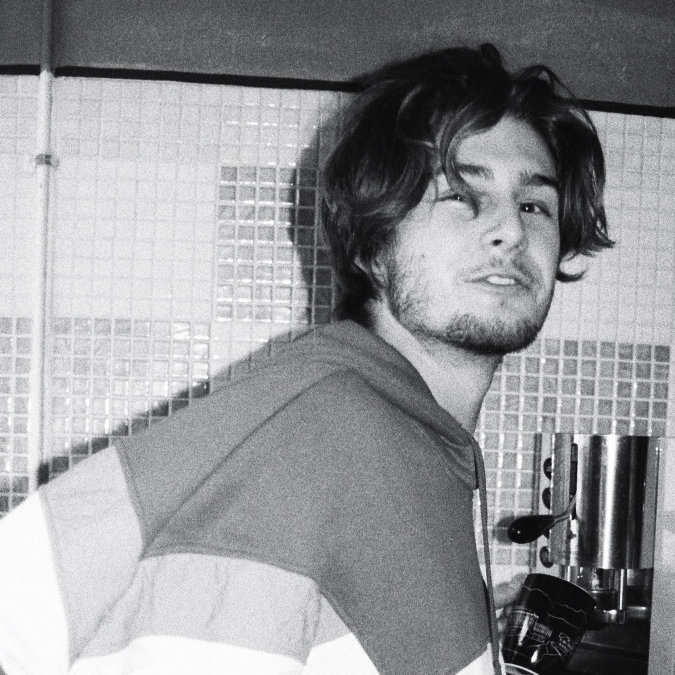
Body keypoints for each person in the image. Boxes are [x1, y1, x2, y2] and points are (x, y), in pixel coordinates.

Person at [0, 43, 611, 675]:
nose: (511, 229)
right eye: (460, 195)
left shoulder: (412, 444)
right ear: (371, 245)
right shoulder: (326, 430)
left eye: (534, 204)